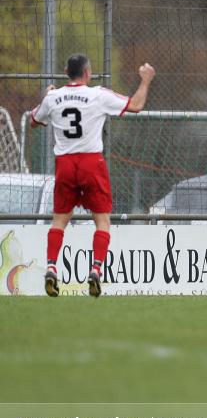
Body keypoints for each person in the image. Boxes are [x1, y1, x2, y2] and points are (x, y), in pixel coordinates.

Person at [31, 54, 155, 297]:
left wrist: (46, 97)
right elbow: (136, 105)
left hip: (65, 164)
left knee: (59, 221)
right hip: (91, 162)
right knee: (102, 220)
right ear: (87, 73)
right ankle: (96, 270)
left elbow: (35, 120)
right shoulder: (97, 95)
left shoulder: (54, 97)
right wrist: (146, 80)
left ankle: (52, 267)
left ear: (66, 71)